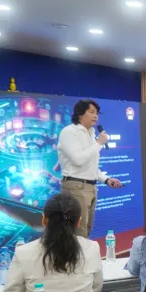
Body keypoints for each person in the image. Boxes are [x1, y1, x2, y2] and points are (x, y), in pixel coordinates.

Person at [0, 193, 103, 292]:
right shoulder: (92, 247)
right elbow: (96, 289)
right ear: (78, 222)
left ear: (44, 220)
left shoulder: (23, 252)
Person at [57, 99, 123, 238]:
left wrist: (106, 180)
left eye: (97, 113)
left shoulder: (91, 133)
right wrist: (98, 143)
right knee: (78, 233)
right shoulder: (69, 132)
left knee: (86, 230)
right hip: (75, 187)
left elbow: (91, 165)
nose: (95, 116)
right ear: (80, 113)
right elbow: (78, 160)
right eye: (92, 112)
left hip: (91, 187)